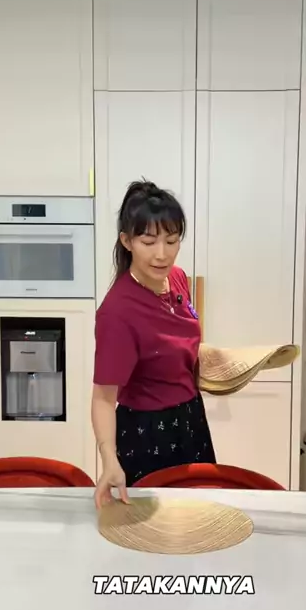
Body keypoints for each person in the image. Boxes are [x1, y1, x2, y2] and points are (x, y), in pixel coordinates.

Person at [91, 179, 216, 509]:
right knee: (152, 528)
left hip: (191, 420)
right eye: (148, 242)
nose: (162, 254)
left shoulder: (177, 279)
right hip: (148, 433)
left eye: (172, 241)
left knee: (197, 516)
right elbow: (103, 398)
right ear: (127, 241)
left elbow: (179, 344)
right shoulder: (117, 312)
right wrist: (109, 460)